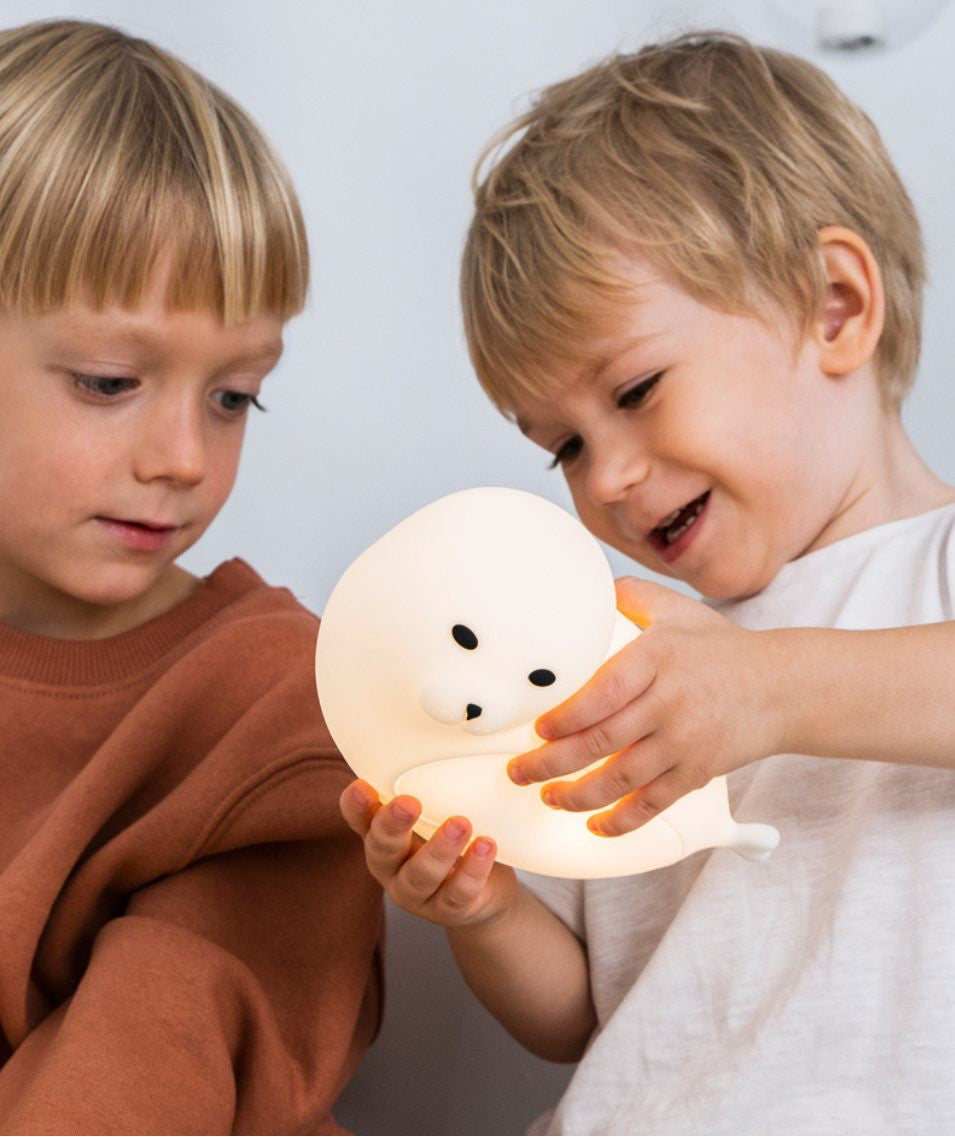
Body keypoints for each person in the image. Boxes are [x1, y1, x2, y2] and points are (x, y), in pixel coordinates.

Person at [341, 30, 955, 1135]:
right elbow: (585, 1012)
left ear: (833, 306)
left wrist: (770, 689)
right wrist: (484, 909)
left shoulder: (934, 570)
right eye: (561, 446)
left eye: (634, 390)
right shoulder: (614, 662)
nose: (609, 478)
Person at [0, 18, 381, 1135]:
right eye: (113, 381)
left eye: (233, 397)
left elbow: (160, 1043)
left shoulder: (281, 704)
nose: (182, 458)